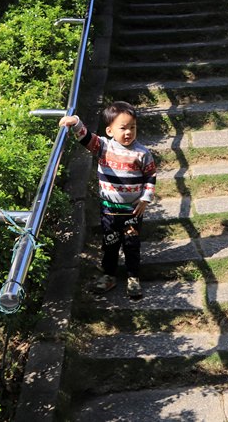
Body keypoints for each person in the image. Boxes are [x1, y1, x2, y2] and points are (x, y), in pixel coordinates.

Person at [59, 101, 156, 299]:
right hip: (110, 210)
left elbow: (150, 177)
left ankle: (133, 277)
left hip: (132, 210)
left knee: (131, 244)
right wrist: (75, 122)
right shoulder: (103, 147)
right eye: (123, 128)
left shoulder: (143, 153)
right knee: (110, 244)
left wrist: (145, 199)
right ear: (110, 130)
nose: (128, 132)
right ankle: (109, 275)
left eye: (132, 127)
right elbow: (85, 137)